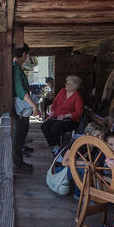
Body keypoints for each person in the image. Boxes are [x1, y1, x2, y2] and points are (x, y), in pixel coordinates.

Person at [12, 44, 39, 175]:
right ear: (24, 54)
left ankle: (19, 162)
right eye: (26, 55)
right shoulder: (16, 68)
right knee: (18, 136)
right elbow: (20, 91)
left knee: (22, 133)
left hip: (19, 109)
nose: (26, 57)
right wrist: (34, 105)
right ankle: (18, 164)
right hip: (20, 110)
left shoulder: (17, 67)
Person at [41, 75, 84, 151]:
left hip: (71, 121)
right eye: (66, 83)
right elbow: (55, 102)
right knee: (45, 126)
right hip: (57, 117)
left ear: (74, 86)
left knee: (56, 127)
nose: (66, 85)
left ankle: (59, 147)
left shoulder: (77, 97)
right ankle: (54, 145)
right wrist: (52, 113)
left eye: (68, 84)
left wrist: (66, 115)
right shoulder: (63, 91)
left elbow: (79, 112)